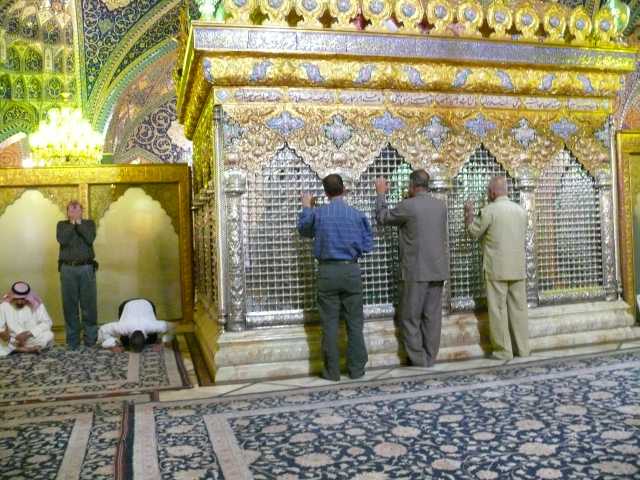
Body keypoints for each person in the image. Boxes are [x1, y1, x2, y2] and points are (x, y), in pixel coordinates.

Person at [298, 174, 373, 381]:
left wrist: (307, 206)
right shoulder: (357, 215)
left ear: (325, 192)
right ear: (343, 189)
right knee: (355, 323)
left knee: (329, 324)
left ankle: (332, 371)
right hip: (351, 271)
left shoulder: (319, 214)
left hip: (327, 272)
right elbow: (368, 246)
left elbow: (304, 230)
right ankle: (356, 369)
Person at [375, 170, 449, 367]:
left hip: (416, 271)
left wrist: (381, 194)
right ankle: (430, 357)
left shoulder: (408, 206)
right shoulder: (440, 206)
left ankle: (419, 359)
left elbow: (383, 217)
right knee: (432, 317)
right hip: (437, 270)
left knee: (410, 317)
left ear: (412, 186)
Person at [464, 176, 530, 360]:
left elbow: (473, 232)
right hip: (518, 268)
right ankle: (523, 349)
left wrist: (468, 215)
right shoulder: (521, 211)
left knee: (498, 311)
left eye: (488, 191)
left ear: (492, 192)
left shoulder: (489, 211)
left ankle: (503, 351)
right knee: (519, 310)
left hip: (496, 269)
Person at [57, 200, 98, 350]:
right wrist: (72, 223)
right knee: (70, 306)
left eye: (77, 209)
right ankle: (73, 341)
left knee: (89, 305)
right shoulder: (62, 225)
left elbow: (90, 238)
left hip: (86, 268)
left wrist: (79, 223)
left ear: (82, 211)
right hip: (68, 269)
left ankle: (90, 340)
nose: (74, 212)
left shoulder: (89, 224)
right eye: (71, 210)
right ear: (67, 212)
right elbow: (62, 240)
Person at [97, 298, 175, 353]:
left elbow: (172, 326)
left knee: (152, 340)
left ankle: (147, 341)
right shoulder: (123, 327)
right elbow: (102, 329)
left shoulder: (151, 326)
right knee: (124, 342)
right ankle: (128, 342)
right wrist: (112, 346)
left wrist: (163, 343)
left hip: (146, 303)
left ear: (145, 337)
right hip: (127, 304)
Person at [0, 281, 54, 356]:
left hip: (31, 338)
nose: (19, 302)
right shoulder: (4, 306)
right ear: (12, 296)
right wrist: (5, 335)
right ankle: (27, 349)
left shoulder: (37, 304)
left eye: (23, 299)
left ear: (28, 297)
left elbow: (47, 322)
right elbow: (0, 327)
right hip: (13, 340)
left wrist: (28, 334)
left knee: (49, 335)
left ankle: (21, 348)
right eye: (17, 299)